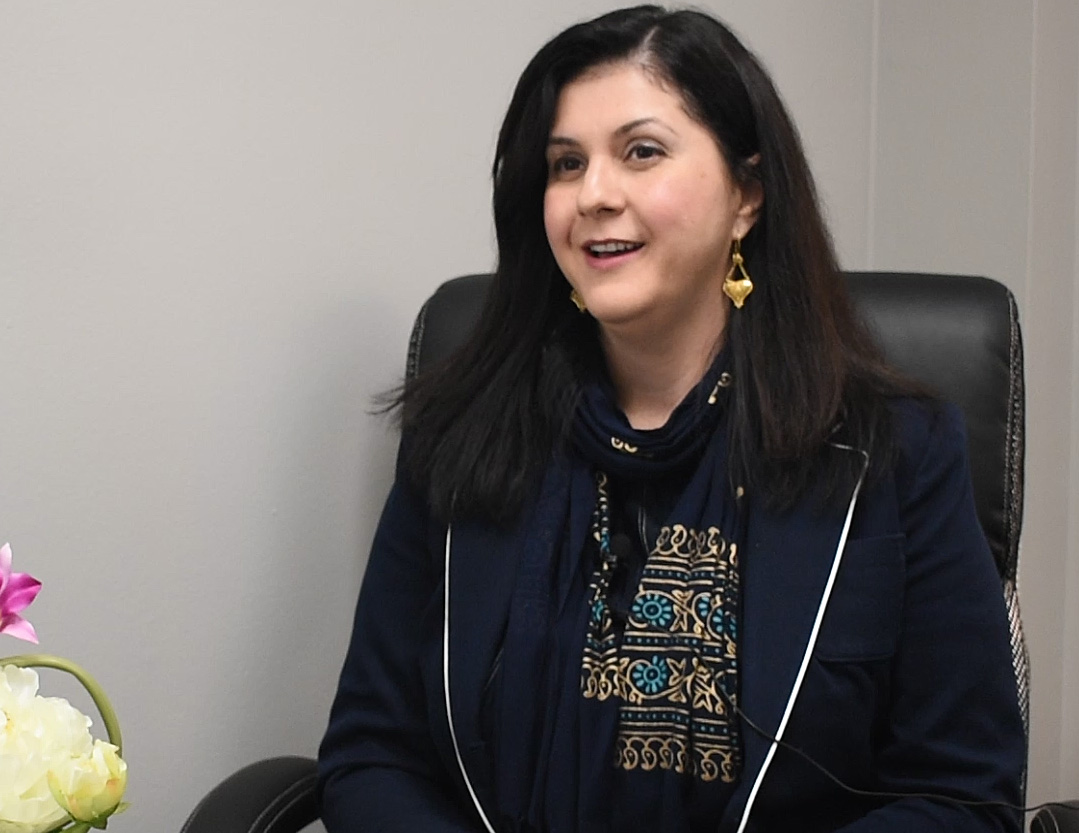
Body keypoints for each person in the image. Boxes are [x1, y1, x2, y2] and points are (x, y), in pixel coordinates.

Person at [317, 6, 1025, 832]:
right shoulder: (461, 437)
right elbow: (372, 755)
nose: (593, 194)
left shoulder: (890, 448)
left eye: (640, 151)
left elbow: (961, 792)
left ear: (746, 196)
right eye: (564, 163)